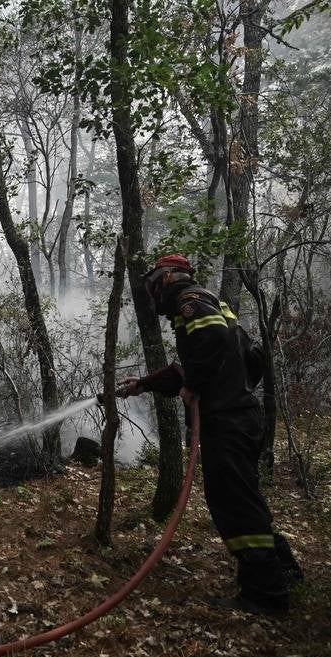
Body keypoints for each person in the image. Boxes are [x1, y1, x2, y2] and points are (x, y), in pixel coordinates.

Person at [117, 254, 302, 617]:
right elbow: (244, 358)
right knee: (245, 499)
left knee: (234, 505)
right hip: (241, 418)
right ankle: (284, 569)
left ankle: (266, 594)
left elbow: (210, 346)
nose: (152, 293)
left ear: (168, 278)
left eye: (154, 284)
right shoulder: (212, 304)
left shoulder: (192, 302)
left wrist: (198, 386)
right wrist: (143, 384)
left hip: (228, 423)